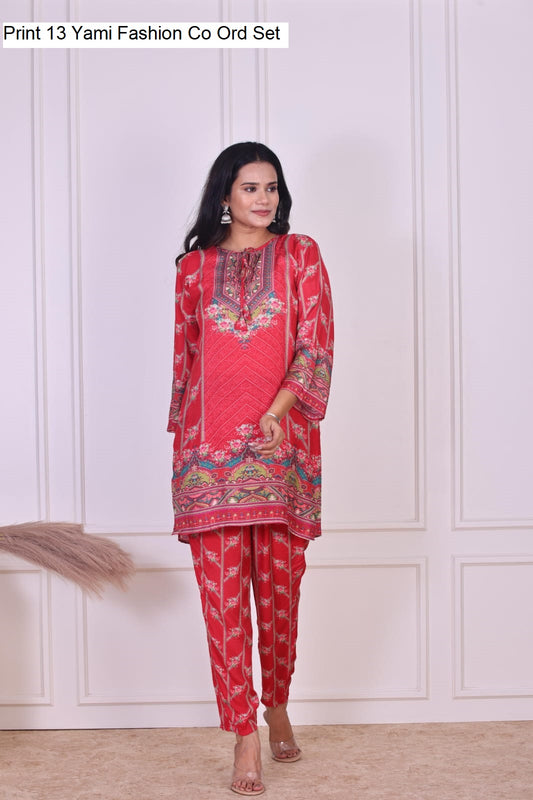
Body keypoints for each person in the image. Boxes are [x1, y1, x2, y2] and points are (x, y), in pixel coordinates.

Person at [168, 142, 334, 796]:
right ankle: (243, 732)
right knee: (222, 602)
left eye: (271, 187)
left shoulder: (300, 255)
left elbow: (314, 345)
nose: (264, 199)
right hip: (206, 458)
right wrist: (184, 439)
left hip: (280, 450)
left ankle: (278, 704)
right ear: (224, 196)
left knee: (280, 593)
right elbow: (186, 360)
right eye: (250, 188)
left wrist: (278, 410)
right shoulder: (193, 269)